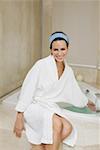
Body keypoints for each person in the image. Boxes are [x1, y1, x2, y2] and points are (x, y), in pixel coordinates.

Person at [13, 31, 96, 150]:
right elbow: (28, 88)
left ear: (68, 48)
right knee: (57, 123)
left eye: (63, 49)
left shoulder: (68, 71)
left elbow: (75, 92)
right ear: (51, 50)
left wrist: (87, 102)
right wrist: (19, 116)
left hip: (48, 106)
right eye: (55, 49)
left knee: (67, 127)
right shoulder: (41, 65)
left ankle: (38, 147)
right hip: (34, 105)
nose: (59, 53)